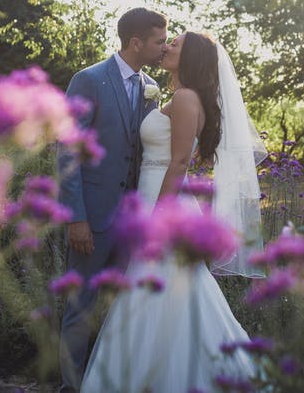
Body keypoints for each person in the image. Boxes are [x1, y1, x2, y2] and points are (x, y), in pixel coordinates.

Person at [80, 31, 267, 393]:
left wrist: (157, 220)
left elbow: (180, 162)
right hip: (156, 195)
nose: (166, 47)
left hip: (166, 206)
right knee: (162, 291)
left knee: (167, 289)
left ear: (191, 57)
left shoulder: (184, 98)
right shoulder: (178, 96)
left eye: (175, 44)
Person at [57, 7, 168, 393]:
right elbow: (68, 151)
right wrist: (76, 218)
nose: (164, 46)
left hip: (132, 221)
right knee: (80, 309)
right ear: (135, 42)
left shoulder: (151, 86)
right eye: (158, 41)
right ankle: (70, 387)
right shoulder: (87, 80)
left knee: (125, 309)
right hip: (93, 218)